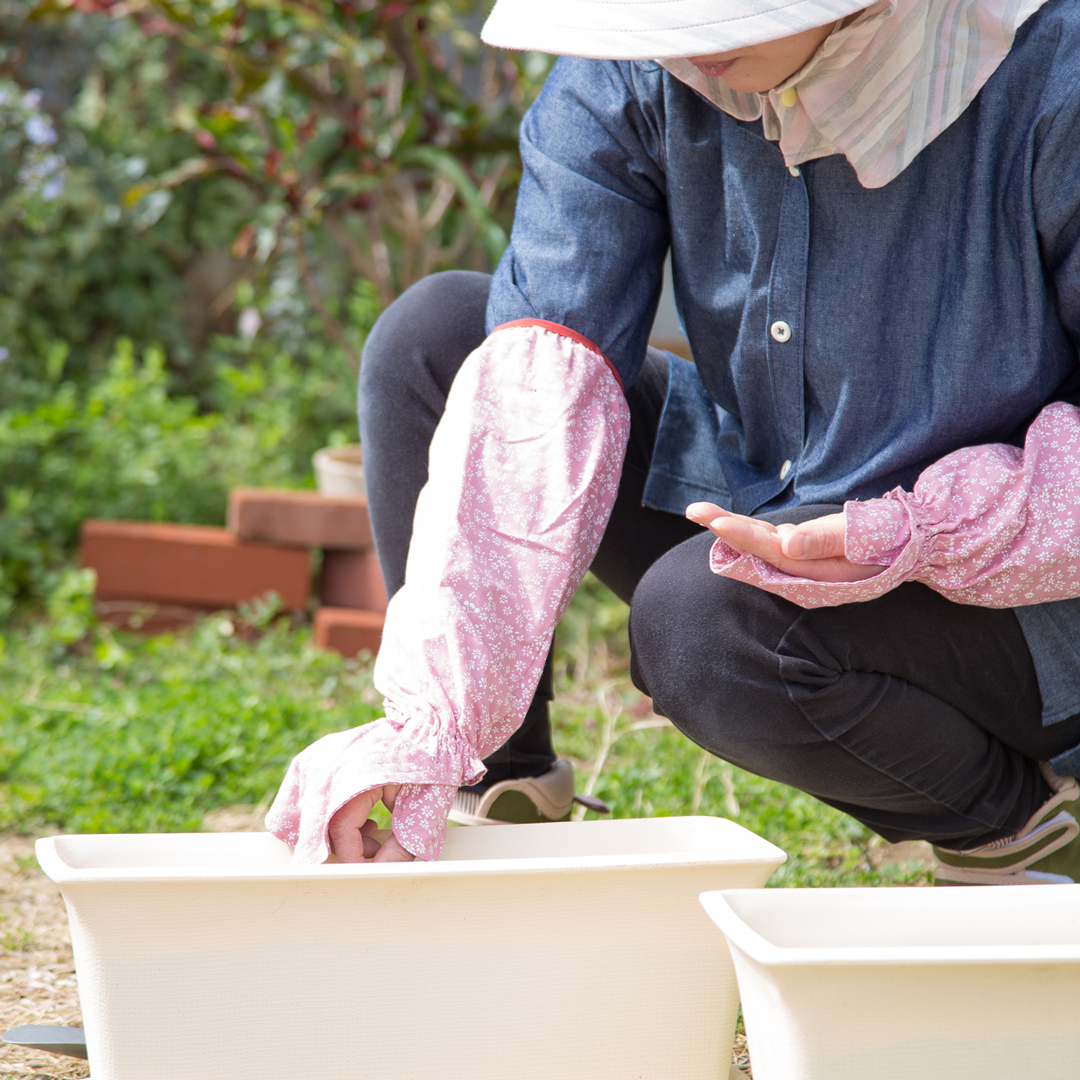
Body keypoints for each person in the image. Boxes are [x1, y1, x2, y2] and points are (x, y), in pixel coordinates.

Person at [267, 0, 1080, 885]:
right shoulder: (642, 65)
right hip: (775, 486)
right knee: (437, 334)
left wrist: (918, 530)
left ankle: (1014, 822)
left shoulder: (1049, 75)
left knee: (696, 627)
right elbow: (535, 384)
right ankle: (489, 792)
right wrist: (432, 723)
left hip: (1023, 578)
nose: (696, 43)